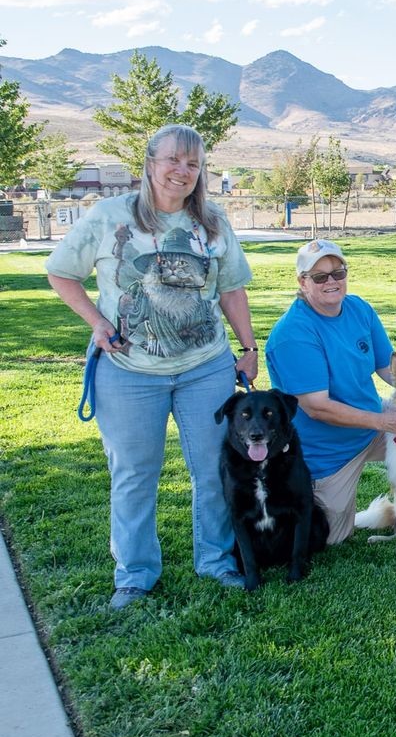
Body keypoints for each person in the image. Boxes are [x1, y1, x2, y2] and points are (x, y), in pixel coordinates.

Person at [45, 124, 259, 609]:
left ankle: (215, 560)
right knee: (135, 473)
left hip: (205, 367)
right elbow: (60, 272)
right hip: (128, 371)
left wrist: (248, 348)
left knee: (212, 469)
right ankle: (135, 574)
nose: (182, 172)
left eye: (193, 164)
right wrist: (97, 321)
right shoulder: (108, 216)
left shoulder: (213, 222)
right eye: (173, 161)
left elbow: (231, 288)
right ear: (149, 162)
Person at [265, 239, 396, 544]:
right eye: (320, 277)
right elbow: (318, 408)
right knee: (328, 537)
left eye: (338, 272)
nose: (332, 282)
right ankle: (363, 510)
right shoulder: (293, 334)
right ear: (302, 282)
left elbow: (389, 368)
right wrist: (383, 422)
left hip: (373, 423)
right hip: (327, 454)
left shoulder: (359, 309)